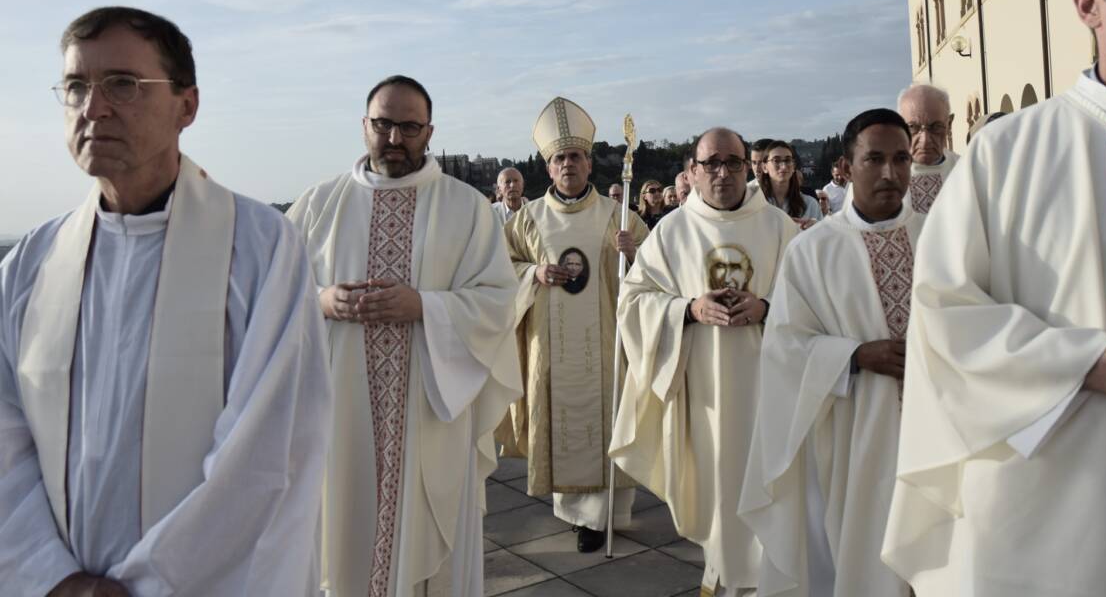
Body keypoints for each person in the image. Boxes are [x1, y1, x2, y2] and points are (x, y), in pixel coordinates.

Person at [882, 0, 1106, 595]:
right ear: (1091, 4)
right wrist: (1094, 360)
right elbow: (945, 318)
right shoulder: (1010, 151)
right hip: (1055, 497)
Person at [0, 7, 331, 596]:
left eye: (122, 85)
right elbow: (5, 439)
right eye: (76, 87)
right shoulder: (31, 263)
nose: (93, 108)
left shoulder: (258, 248)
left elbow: (266, 452)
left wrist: (147, 585)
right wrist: (50, 578)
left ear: (188, 106)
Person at [287, 75, 520, 596]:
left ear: (429, 131)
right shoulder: (318, 205)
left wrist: (426, 307)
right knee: (342, 538)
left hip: (431, 414)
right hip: (339, 416)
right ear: (364, 126)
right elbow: (273, 298)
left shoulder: (467, 208)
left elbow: (499, 300)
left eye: (409, 127)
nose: (395, 138)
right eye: (383, 124)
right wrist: (322, 301)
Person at [611, 128, 798, 595]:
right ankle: (725, 575)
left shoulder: (780, 229)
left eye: (732, 162)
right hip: (705, 394)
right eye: (710, 163)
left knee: (778, 495)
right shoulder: (672, 231)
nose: (722, 172)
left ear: (747, 168)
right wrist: (687, 310)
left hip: (773, 390)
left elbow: (819, 300)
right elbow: (632, 304)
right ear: (692, 171)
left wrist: (770, 308)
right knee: (720, 493)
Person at [740, 109, 919, 597]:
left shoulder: (942, 236)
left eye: (901, 159)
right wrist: (856, 356)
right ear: (847, 164)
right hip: (853, 433)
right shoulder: (812, 250)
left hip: (935, 431)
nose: (890, 173)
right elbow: (784, 347)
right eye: (875, 158)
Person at [498, 97, 650, 553]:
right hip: (552, 343)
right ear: (549, 168)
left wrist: (633, 254)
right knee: (564, 420)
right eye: (559, 158)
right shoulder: (527, 220)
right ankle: (580, 518)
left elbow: (658, 274)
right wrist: (534, 274)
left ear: (589, 163)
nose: (568, 164)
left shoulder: (617, 216)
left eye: (576, 156)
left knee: (608, 418)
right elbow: (499, 270)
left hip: (607, 343)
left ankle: (607, 515)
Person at [896, 83, 957, 213]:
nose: (925, 141)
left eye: (935, 127)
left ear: (949, 125)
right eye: (913, 127)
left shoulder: (966, 170)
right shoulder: (884, 178)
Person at [760, 141, 821, 227]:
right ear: (764, 167)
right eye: (776, 160)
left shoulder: (810, 204)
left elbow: (824, 239)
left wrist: (815, 229)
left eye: (788, 160)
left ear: (793, 166)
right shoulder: (754, 204)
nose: (783, 166)